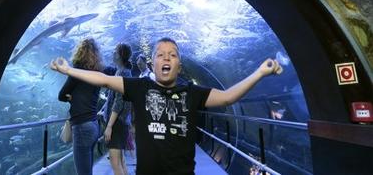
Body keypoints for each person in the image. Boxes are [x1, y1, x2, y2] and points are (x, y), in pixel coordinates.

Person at [51, 37, 283, 175]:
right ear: (152, 62)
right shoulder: (140, 87)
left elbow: (227, 97)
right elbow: (102, 79)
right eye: (160, 54)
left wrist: (260, 73)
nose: (166, 58)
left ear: (179, 66)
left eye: (172, 55)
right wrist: (68, 70)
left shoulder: (192, 93)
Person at [57, 38, 102, 175]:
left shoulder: (76, 73)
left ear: (79, 52)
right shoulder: (98, 73)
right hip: (94, 125)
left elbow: (61, 95)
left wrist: (71, 98)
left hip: (82, 127)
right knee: (88, 170)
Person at [103, 43, 133, 175]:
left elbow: (118, 102)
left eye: (115, 51)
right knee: (121, 162)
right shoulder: (123, 72)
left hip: (117, 123)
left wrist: (109, 125)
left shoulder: (121, 73)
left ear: (120, 55)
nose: (112, 53)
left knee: (115, 164)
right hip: (121, 122)